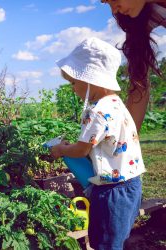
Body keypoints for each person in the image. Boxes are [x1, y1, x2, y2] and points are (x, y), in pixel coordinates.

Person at [51, 37, 145, 250]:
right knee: (116, 240)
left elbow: (82, 149)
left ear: (90, 79)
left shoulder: (96, 111)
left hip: (112, 192)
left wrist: (60, 150)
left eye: (74, 82)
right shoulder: (116, 104)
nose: (72, 88)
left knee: (105, 243)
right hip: (131, 186)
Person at [101, 0, 166, 132]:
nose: (114, 10)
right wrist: (126, 142)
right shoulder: (136, 20)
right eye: (106, 3)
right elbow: (139, 87)